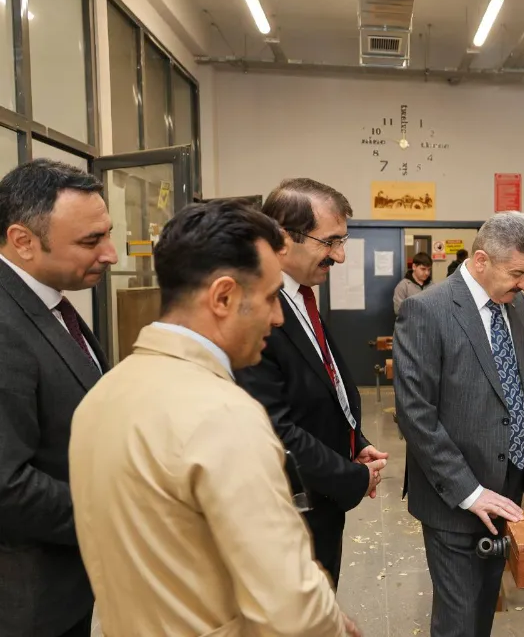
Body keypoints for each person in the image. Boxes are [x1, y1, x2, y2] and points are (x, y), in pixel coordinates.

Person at [69, 200, 360, 637]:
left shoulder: (103, 395)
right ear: (223, 296)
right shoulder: (226, 416)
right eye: (268, 298)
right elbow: (292, 609)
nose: (278, 317)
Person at [394, 211, 524, 637]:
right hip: (455, 496)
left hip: (508, 489)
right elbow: (416, 415)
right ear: (481, 261)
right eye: (518, 273)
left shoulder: (514, 307)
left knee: (482, 611)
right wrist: (469, 491)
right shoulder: (426, 310)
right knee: (459, 622)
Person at [236, 178, 386, 588]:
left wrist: (353, 439)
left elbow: (321, 385)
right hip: (286, 508)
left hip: (318, 498)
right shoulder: (258, 307)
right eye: (330, 242)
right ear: (284, 237)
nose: (339, 256)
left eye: (343, 241)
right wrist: (350, 477)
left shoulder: (302, 295)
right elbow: (274, 426)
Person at [0, 159, 117, 637]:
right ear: (23, 241)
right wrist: (121, 517)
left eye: (107, 233)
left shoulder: (49, 303)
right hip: (28, 600)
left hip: (65, 583)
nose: (110, 254)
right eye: (90, 242)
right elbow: (7, 485)